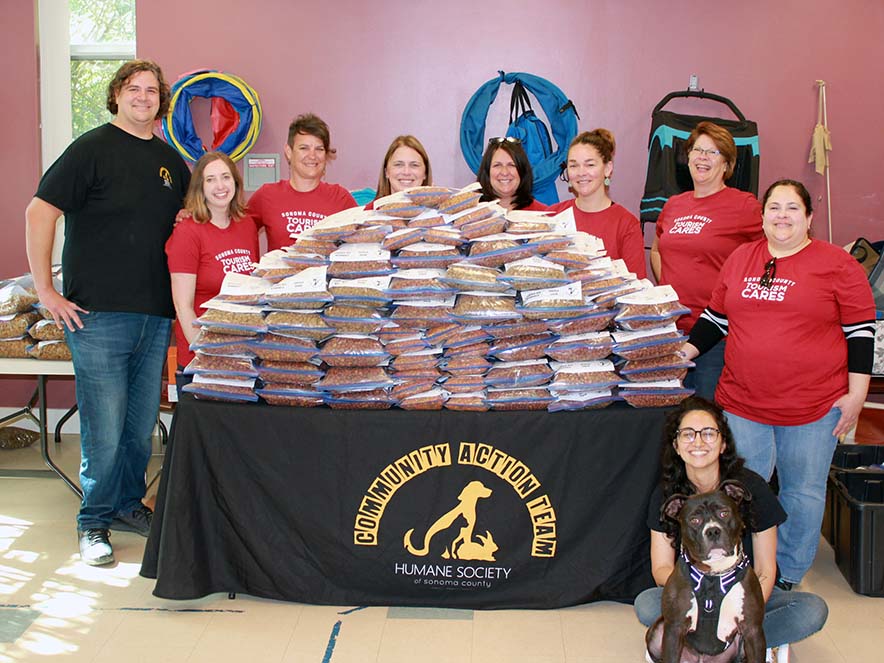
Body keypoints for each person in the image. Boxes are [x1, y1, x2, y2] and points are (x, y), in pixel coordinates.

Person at [24, 60, 191, 565]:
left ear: (161, 101)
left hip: (154, 314)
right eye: (133, 89)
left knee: (140, 426)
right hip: (97, 315)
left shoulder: (169, 160)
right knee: (104, 424)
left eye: (151, 91)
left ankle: (126, 504)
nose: (143, 97)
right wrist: (45, 290)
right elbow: (39, 211)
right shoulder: (90, 149)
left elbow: (184, 218)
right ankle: (92, 522)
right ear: (116, 95)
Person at [681, 179, 876, 588]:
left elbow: (860, 331)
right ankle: (739, 567)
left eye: (791, 208)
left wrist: (857, 393)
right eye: (774, 207)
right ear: (763, 215)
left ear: (808, 218)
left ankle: (786, 574)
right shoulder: (741, 259)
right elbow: (717, 319)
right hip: (743, 401)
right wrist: (684, 353)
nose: (781, 216)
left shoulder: (836, 264)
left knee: (801, 494)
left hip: (812, 406)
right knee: (740, 492)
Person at [633, 397, 828, 650]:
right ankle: (730, 643)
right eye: (688, 435)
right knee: (647, 603)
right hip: (692, 592)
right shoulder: (667, 495)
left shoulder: (749, 486)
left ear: (723, 443)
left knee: (812, 610)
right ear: (676, 446)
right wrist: (699, 597)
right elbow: (660, 568)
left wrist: (745, 612)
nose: (699, 442)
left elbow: (766, 568)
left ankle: (732, 640)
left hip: (746, 590)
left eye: (709, 433)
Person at [650, 121, 763, 400]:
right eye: (697, 150)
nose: (702, 157)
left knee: (707, 422)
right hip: (669, 332)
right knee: (670, 424)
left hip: (716, 338)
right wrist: (672, 288)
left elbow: (766, 258)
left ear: (726, 164)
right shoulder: (674, 204)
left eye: (712, 152)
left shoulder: (744, 205)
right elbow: (656, 249)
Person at [165, 151, 259, 390]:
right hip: (202, 359)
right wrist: (206, 353)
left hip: (241, 352)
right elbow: (182, 306)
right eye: (210, 179)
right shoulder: (187, 232)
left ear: (235, 183)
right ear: (200, 187)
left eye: (226, 177)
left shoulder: (246, 225)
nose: (220, 186)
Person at [247, 113, 356, 251]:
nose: (312, 156)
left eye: (319, 149)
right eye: (304, 148)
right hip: (280, 272)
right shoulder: (267, 195)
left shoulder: (340, 197)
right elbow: (238, 230)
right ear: (289, 151)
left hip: (324, 272)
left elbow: (361, 239)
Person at [547, 129, 646, 277]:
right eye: (573, 165)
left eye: (590, 165)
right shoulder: (553, 215)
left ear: (607, 169)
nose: (581, 172)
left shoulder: (626, 224)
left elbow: (636, 285)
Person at [476, 137, 547, 211]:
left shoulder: (544, 216)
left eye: (511, 165)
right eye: (497, 165)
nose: (504, 172)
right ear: (487, 172)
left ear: (522, 171)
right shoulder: (468, 215)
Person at [374, 135, 432, 200]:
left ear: (425, 173)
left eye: (414, 165)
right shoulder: (367, 210)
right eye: (398, 165)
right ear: (386, 172)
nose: (406, 172)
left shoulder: (442, 209)